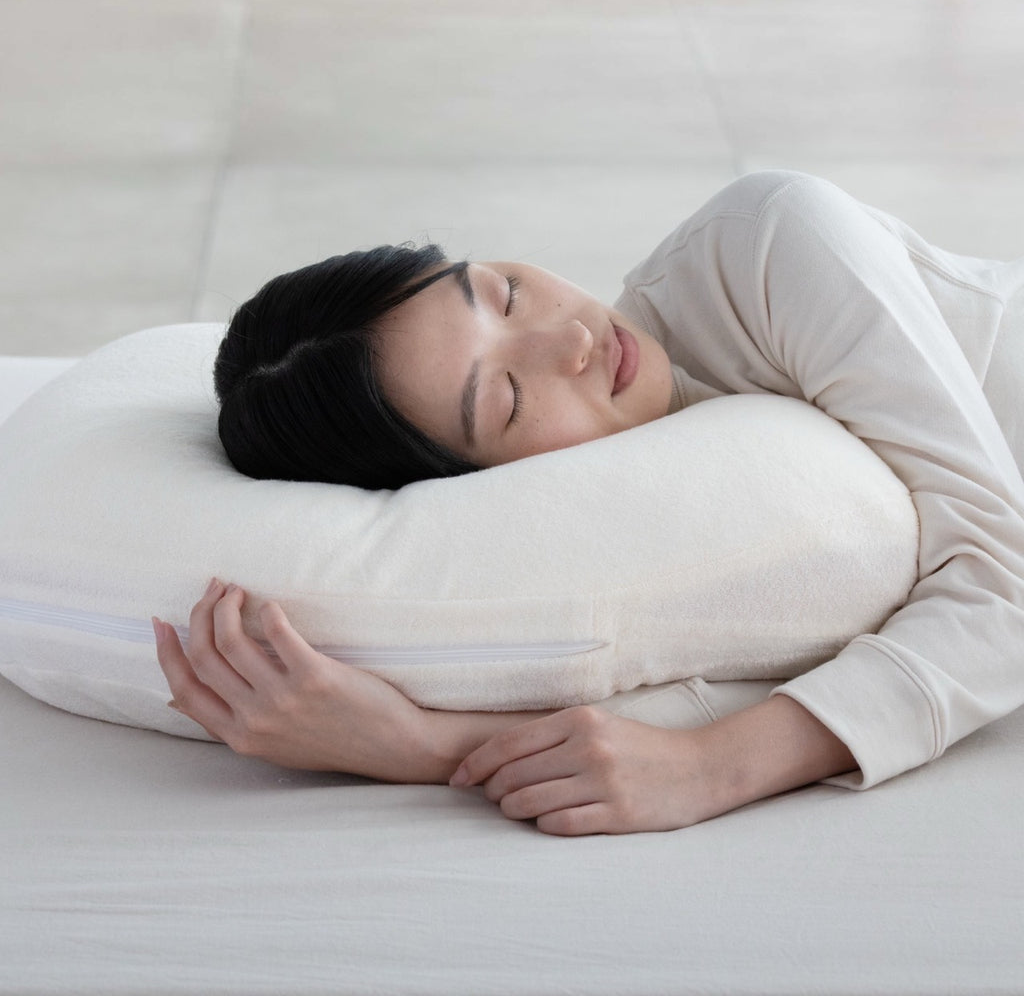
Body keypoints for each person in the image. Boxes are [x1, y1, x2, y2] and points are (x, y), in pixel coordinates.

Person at [153, 170, 1024, 835]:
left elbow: (1006, 582)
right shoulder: (631, 530)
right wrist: (408, 738)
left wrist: (709, 767)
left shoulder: (765, 245)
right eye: (506, 398)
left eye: (503, 292)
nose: (572, 337)